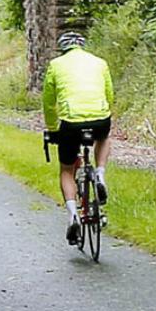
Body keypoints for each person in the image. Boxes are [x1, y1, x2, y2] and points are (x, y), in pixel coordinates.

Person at [42, 31, 114, 245]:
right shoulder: (100, 62)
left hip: (71, 122)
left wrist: (53, 127)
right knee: (104, 138)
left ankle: (73, 214)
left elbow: (48, 102)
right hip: (100, 118)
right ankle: (100, 174)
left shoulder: (56, 65)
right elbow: (109, 95)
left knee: (66, 169)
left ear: (62, 48)